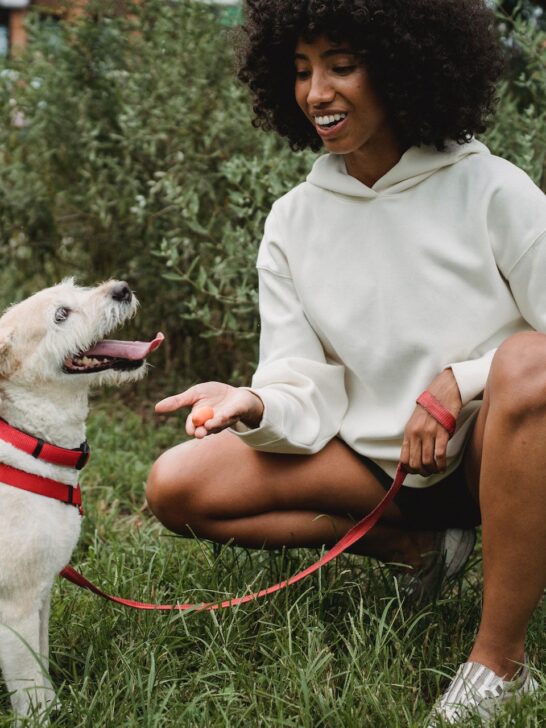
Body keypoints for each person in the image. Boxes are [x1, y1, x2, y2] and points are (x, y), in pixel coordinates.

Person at [146, 0, 546, 723]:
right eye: (301, 71)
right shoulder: (294, 219)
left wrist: (464, 381)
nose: (316, 93)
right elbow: (302, 381)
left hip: (498, 455)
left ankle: (500, 661)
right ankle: (413, 544)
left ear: (402, 65)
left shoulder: (493, 190)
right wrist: (257, 403)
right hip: (379, 470)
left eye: (342, 65)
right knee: (176, 486)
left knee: (525, 363)